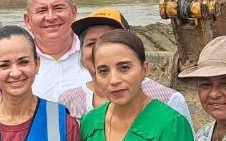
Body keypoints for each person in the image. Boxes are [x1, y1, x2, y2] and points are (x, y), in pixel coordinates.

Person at [58, 8, 193, 123]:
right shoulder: (68, 102)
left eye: (110, 41)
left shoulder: (168, 100)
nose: (99, 50)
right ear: (81, 51)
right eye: (91, 43)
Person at [26, 0, 89, 101]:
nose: (51, 17)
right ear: (27, 20)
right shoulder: (17, 64)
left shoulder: (95, 55)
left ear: (74, 12)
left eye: (58, 8)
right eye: (42, 10)